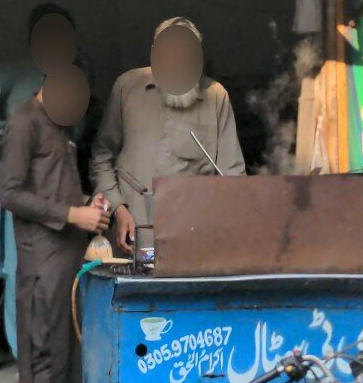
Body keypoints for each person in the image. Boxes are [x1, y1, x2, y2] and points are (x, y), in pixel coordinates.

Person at [0, 2, 78, 361]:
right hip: (23, 184)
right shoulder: (14, 72)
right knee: (20, 269)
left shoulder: (73, 76)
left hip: (61, 186)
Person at [0, 66, 110, 383]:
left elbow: (53, 187)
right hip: (41, 259)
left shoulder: (59, 126)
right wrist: (73, 215)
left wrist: (87, 203)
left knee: (63, 350)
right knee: (42, 347)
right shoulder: (24, 123)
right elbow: (10, 195)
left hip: (65, 257)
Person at [90, 17, 246, 254]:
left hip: (193, 244)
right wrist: (118, 210)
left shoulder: (216, 96)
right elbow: (101, 158)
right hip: (132, 243)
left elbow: (232, 178)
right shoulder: (127, 87)